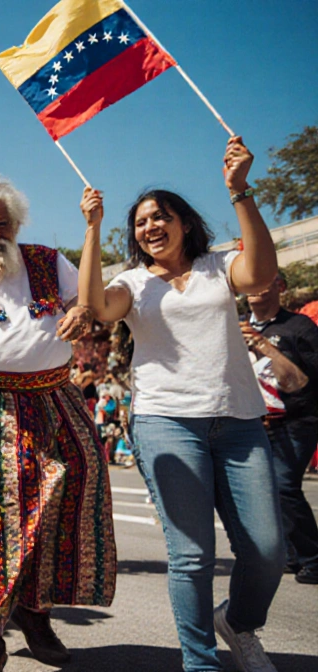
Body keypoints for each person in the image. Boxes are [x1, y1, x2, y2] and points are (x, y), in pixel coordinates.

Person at [78, 136, 283, 672]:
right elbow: (96, 307)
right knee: (192, 556)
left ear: (185, 223)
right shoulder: (133, 283)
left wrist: (240, 192)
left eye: (161, 217)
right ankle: (200, 662)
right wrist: (93, 228)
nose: (150, 227)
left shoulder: (220, 266)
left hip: (238, 423)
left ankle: (237, 623)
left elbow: (260, 275)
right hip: (167, 424)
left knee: (266, 551)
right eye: (141, 221)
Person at [0, 175, 115, 672]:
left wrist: (79, 314)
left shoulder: (48, 260)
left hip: (52, 395)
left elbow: (84, 302)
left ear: (16, 224)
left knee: (67, 496)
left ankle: (36, 612)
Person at [246, 274, 318, 585]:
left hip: (296, 420)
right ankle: (288, 553)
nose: (255, 285)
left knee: (284, 484)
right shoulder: (234, 325)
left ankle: (312, 556)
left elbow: (307, 381)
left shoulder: (299, 327)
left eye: (264, 277)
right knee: (262, 491)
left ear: (280, 287)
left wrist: (264, 347)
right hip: (251, 420)